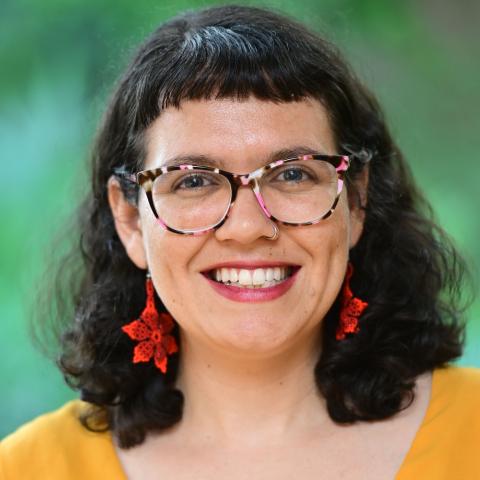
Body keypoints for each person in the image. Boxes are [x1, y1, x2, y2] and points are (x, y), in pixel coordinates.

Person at [1, 4, 479, 479]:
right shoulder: (29, 468)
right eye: (192, 181)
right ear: (129, 219)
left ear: (355, 202)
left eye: (293, 174)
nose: (248, 226)